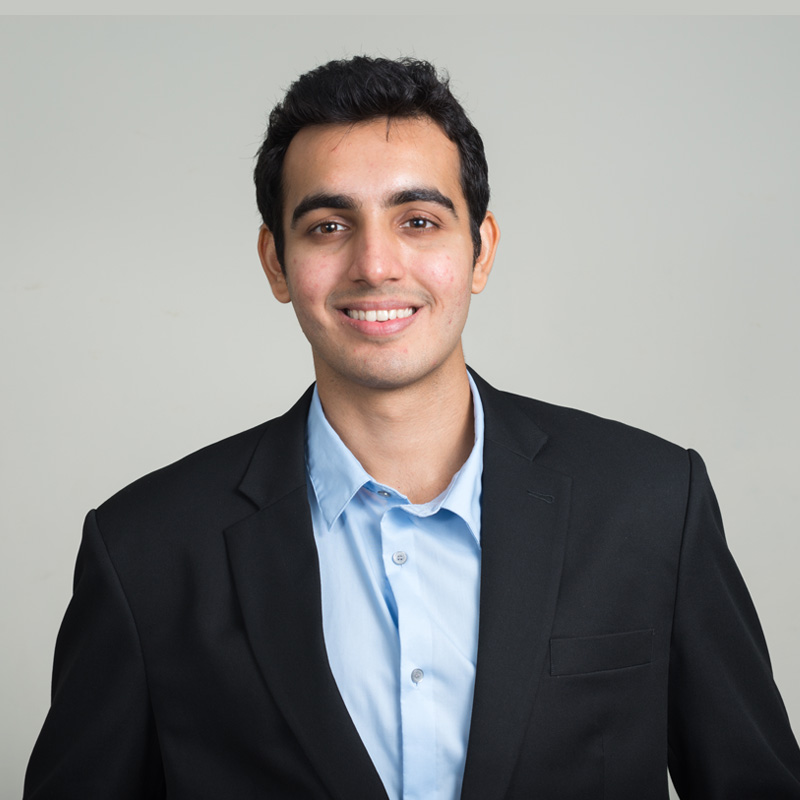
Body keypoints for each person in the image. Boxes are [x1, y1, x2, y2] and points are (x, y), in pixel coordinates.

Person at [24, 55, 800, 800]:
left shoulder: (652, 506)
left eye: (419, 220)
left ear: (480, 250)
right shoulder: (144, 551)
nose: (376, 264)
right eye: (328, 226)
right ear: (276, 263)